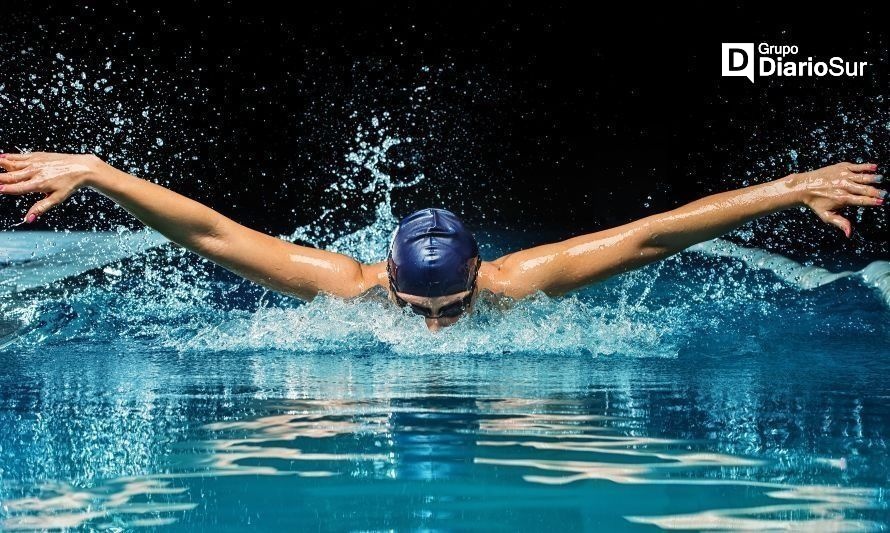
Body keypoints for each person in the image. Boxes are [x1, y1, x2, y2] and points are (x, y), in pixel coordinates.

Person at [0, 152, 885, 331]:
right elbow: (212, 233)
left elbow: (653, 234)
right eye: (416, 309)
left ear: (478, 277)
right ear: (385, 274)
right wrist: (97, 171)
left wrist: (792, 187)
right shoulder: (341, 284)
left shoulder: (518, 282)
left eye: (451, 309)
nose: (433, 331)